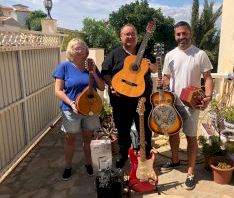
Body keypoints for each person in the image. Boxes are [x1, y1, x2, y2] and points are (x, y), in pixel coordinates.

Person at [158, 21, 213, 190]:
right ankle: (175, 160)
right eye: (178, 34)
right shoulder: (169, 55)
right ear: (175, 36)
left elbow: (208, 77)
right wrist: (163, 82)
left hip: (191, 103)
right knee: (173, 133)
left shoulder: (200, 54)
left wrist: (208, 96)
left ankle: (190, 172)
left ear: (190, 33)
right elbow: (167, 77)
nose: (181, 37)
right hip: (173, 102)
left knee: (191, 137)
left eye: (184, 33)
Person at [101, 23, 157, 168]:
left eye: (132, 34)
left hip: (142, 99)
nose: (130, 36)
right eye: (127, 34)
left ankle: (146, 153)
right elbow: (105, 73)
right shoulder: (114, 54)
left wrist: (150, 65)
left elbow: (155, 68)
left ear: (138, 36)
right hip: (120, 99)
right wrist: (112, 86)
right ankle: (123, 153)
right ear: (121, 37)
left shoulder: (145, 52)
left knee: (144, 128)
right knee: (122, 128)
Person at [53, 38, 105, 180]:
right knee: (70, 139)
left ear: (86, 51)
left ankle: (88, 163)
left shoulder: (91, 66)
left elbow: (101, 87)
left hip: (90, 109)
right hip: (71, 110)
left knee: (88, 138)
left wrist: (94, 73)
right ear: (70, 50)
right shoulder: (64, 67)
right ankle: (68, 166)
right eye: (76, 47)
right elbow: (58, 90)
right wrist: (71, 103)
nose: (80, 49)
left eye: (82, 47)